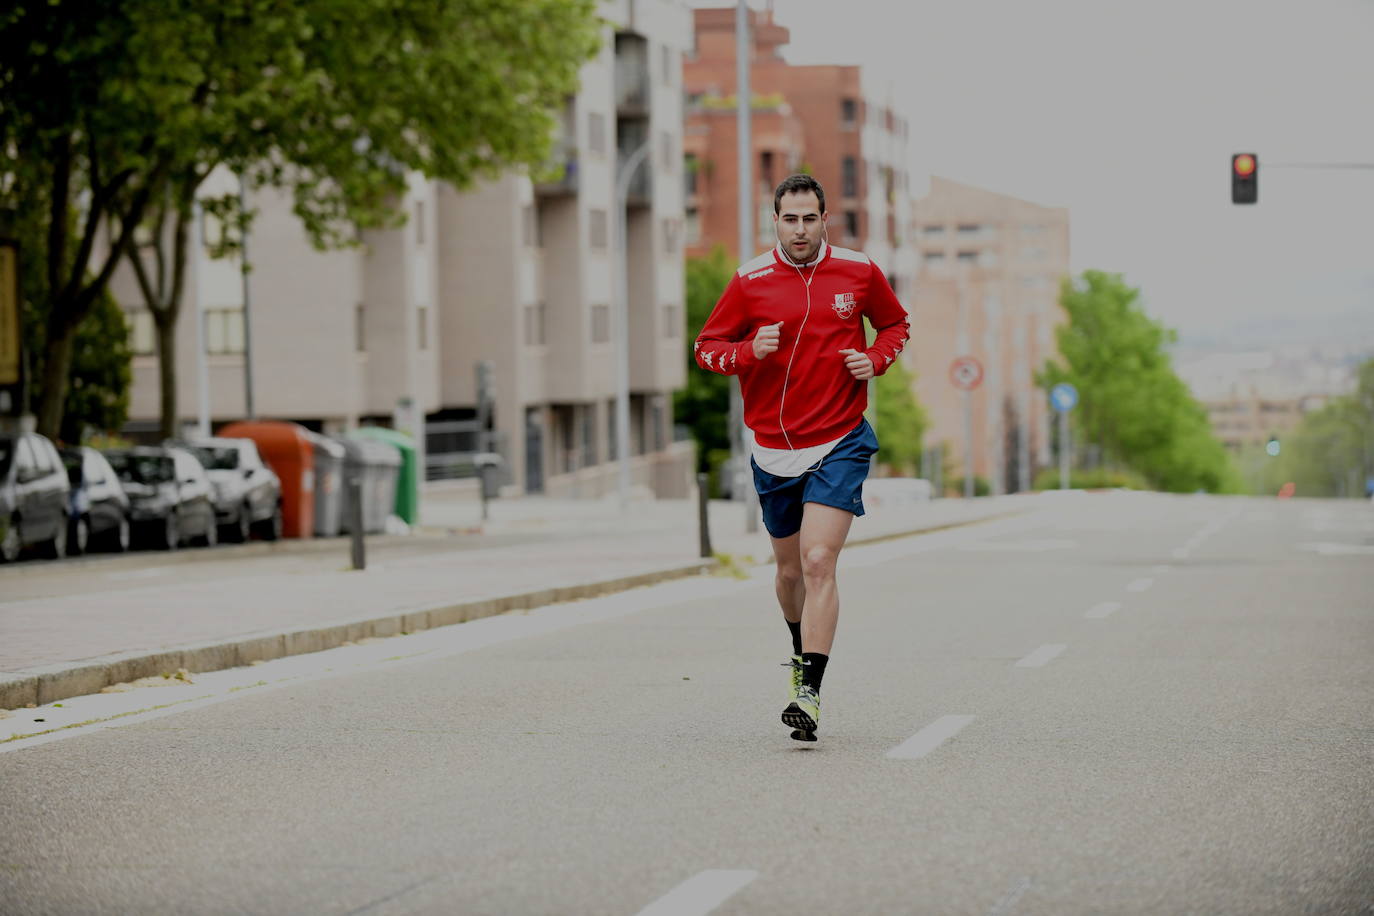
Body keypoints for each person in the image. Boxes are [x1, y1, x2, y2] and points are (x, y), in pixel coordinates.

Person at [694, 174, 910, 741]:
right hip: (772, 449)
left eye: (809, 218)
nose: (800, 229)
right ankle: (799, 651)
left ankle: (809, 693)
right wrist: (746, 352)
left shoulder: (859, 271)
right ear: (775, 222)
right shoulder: (749, 281)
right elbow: (705, 348)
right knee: (788, 572)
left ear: (824, 219)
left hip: (839, 438)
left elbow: (895, 324)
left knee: (818, 561)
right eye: (789, 219)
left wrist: (875, 360)